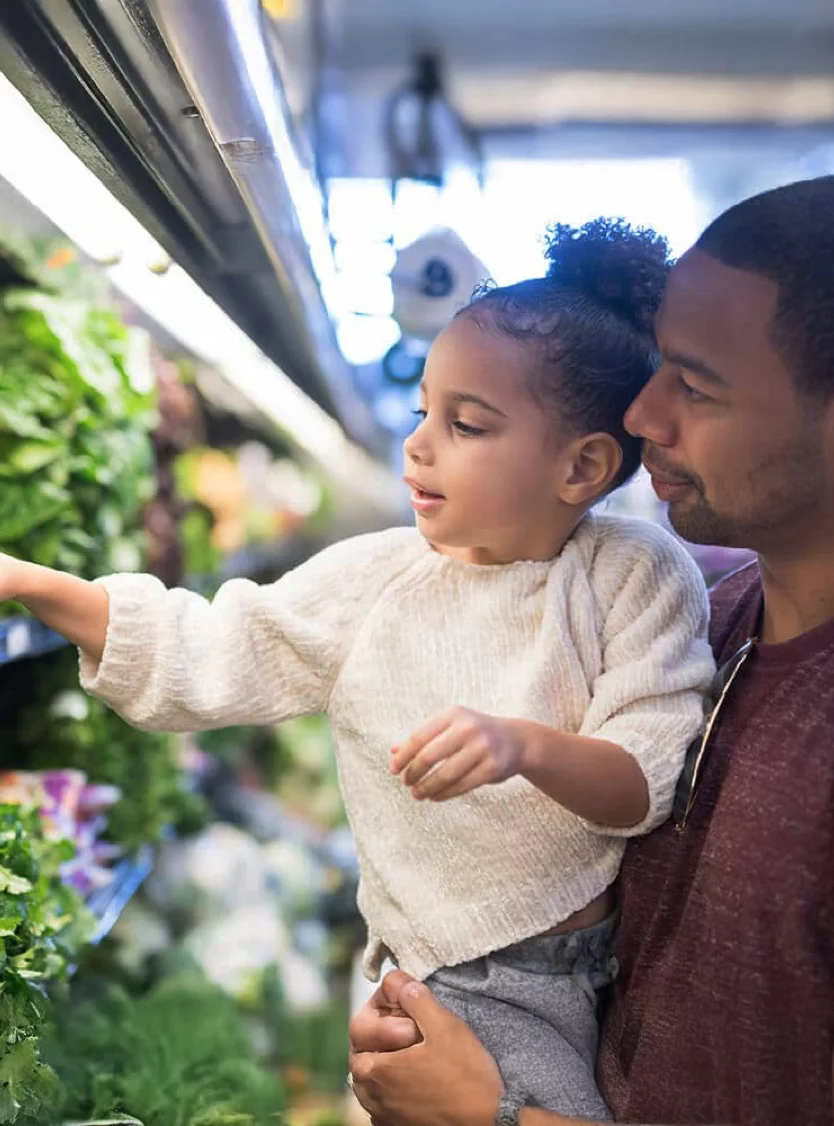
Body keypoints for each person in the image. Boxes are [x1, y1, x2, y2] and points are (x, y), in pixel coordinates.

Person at [0, 222, 714, 1119]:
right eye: (423, 411)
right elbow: (208, 644)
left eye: (466, 425)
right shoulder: (378, 576)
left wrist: (522, 745)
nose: (419, 445)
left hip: (544, 985)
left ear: (584, 466)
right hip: (413, 970)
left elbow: (646, 779)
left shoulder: (635, 574)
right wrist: (25, 580)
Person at [347, 175, 834, 1126]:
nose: (642, 415)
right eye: (658, 368)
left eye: (695, 384)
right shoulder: (704, 619)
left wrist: (495, 1116)